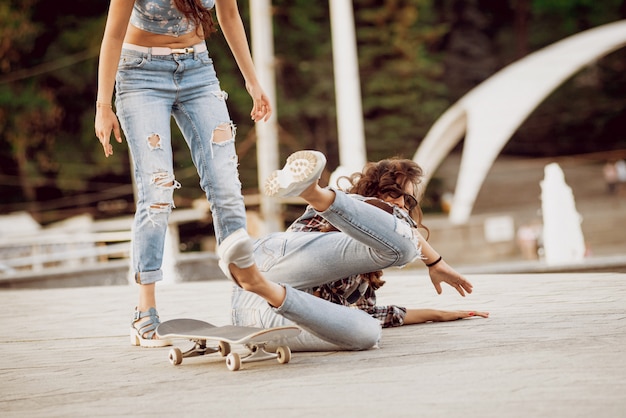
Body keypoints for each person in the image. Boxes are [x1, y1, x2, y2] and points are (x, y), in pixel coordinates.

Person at [94, 0, 287, 347]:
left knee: (226, 185)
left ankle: (250, 293)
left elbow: (229, 15)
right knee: (158, 191)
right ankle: (144, 312)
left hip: (198, 69)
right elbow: (112, 35)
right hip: (140, 73)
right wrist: (103, 106)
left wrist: (253, 81)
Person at [231, 150, 488, 352]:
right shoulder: (344, 209)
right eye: (392, 192)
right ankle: (312, 191)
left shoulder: (373, 258)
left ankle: (261, 286)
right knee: (401, 244)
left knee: (368, 333)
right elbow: (395, 227)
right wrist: (435, 262)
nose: (401, 203)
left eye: (408, 201)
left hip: (262, 318)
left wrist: (439, 314)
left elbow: (374, 313)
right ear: (371, 192)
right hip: (272, 262)